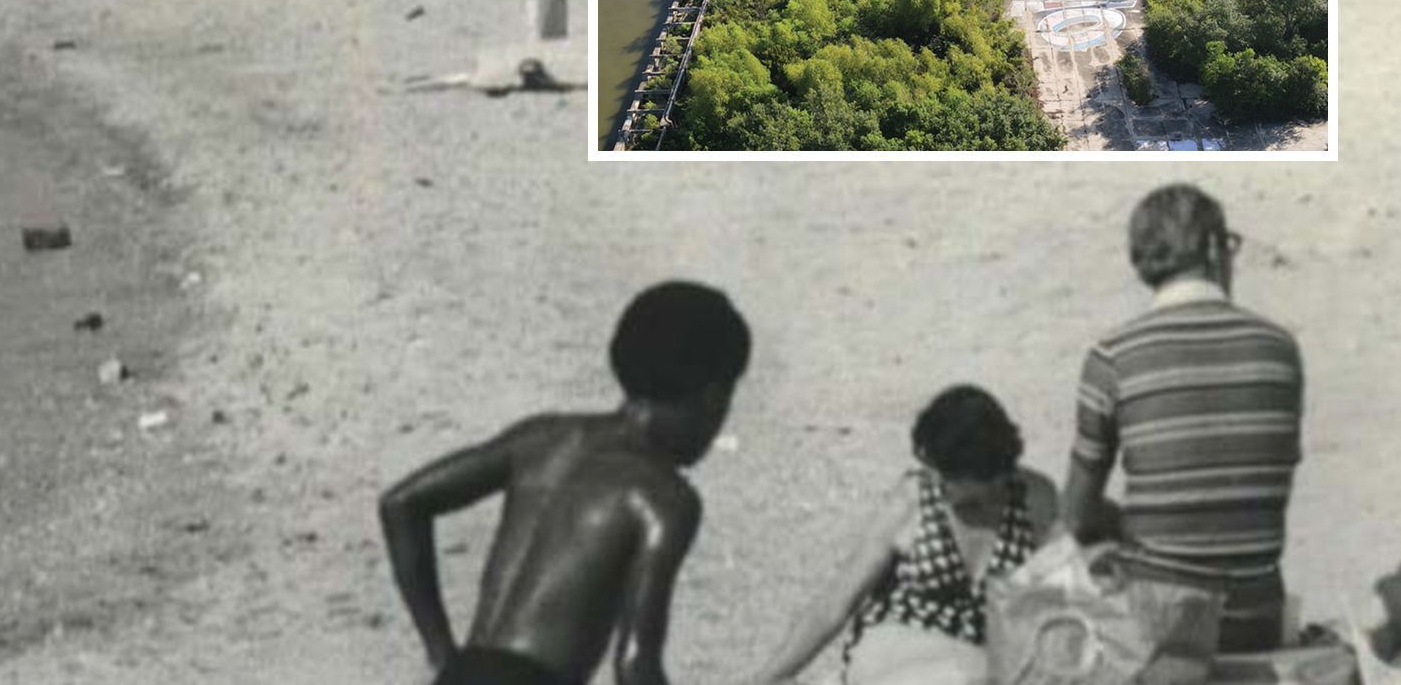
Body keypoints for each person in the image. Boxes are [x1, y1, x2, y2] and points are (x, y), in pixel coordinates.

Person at [379, 281, 750, 685]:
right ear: (712, 396)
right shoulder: (661, 497)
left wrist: (441, 651)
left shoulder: (541, 440)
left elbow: (402, 503)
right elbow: (635, 665)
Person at [1062, 184, 1304, 654]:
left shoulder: (1113, 357)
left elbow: (1075, 514)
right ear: (1214, 249)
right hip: (1256, 616)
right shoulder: (1278, 350)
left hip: (1160, 625)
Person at [748, 386, 1058, 685]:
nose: (935, 479)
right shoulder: (914, 499)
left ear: (981, 471)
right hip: (897, 651)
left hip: (982, 664)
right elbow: (835, 605)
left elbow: (1062, 607)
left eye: (947, 474)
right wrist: (768, 678)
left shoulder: (1037, 500)